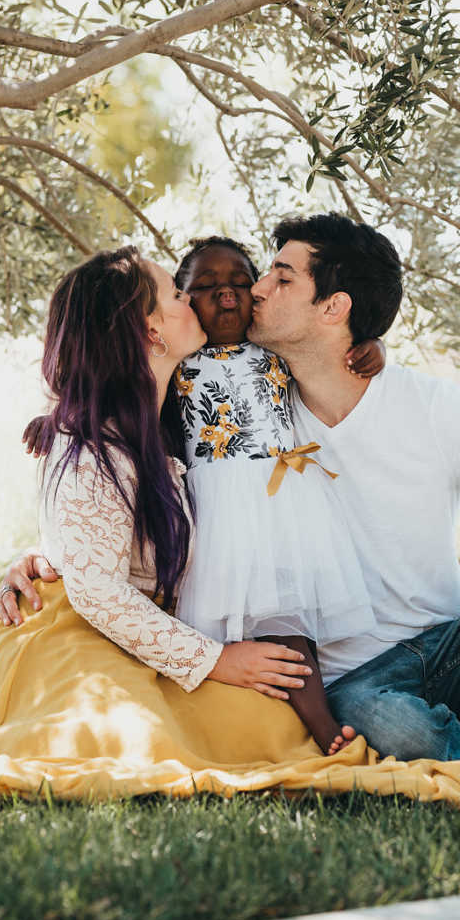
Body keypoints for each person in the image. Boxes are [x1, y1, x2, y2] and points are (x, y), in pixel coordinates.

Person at [0, 244, 460, 807]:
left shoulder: (163, 415)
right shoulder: (94, 442)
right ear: (151, 328)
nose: (206, 302)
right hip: (76, 642)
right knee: (159, 739)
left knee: (272, 707)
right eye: (175, 294)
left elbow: (104, 541)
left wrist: (364, 348)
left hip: (131, 628)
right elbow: (95, 588)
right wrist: (215, 660)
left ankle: (456, 742)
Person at [1, 213, 460, 764]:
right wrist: (48, 555)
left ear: (334, 308)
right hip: (342, 685)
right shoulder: (244, 403)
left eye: (278, 277)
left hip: (449, 649)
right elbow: (123, 476)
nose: (255, 289)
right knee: (390, 727)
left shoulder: (427, 407)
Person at [171, 236, 379, 755]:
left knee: (288, 620)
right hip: (217, 507)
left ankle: (322, 728)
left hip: (282, 501)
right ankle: (237, 732)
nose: (227, 297)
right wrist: (60, 420)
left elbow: (329, 345)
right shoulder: (178, 361)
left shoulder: (273, 349)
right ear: (181, 298)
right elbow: (113, 395)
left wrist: (373, 345)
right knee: (222, 629)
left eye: (240, 285)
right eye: (207, 287)